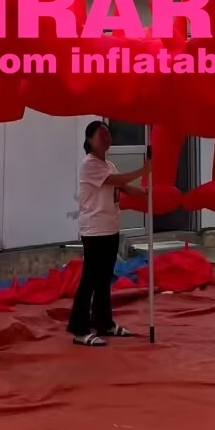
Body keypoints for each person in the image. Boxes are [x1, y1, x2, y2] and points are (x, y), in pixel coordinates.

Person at [68, 120, 149, 347]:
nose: (105, 138)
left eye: (107, 134)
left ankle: (104, 322)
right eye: (100, 134)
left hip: (110, 228)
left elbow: (122, 187)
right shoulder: (89, 165)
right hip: (94, 230)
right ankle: (79, 329)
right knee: (90, 280)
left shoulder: (108, 165)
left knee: (104, 279)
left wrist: (144, 191)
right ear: (90, 140)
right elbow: (116, 181)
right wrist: (143, 170)